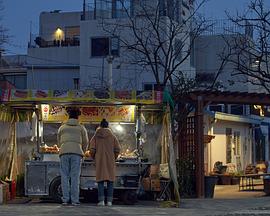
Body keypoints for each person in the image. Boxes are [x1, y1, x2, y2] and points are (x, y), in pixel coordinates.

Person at [57, 107, 89, 205]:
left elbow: (58, 142)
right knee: (75, 177)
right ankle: (75, 200)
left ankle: (65, 199)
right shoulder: (81, 127)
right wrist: (82, 152)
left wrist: (63, 148)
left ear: (68, 116)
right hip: (76, 154)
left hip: (64, 153)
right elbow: (85, 142)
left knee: (64, 177)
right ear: (77, 117)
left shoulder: (62, 127)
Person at [89, 119, 121, 206]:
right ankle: (110, 201)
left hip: (99, 161)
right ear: (108, 126)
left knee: (100, 181)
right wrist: (113, 157)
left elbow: (92, 149)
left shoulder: (95, 137)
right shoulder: (113, 137)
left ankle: (101, 201)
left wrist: (94, 157)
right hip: (110, 161)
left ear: (100, 126)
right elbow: (117, 149)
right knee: (110, 181)